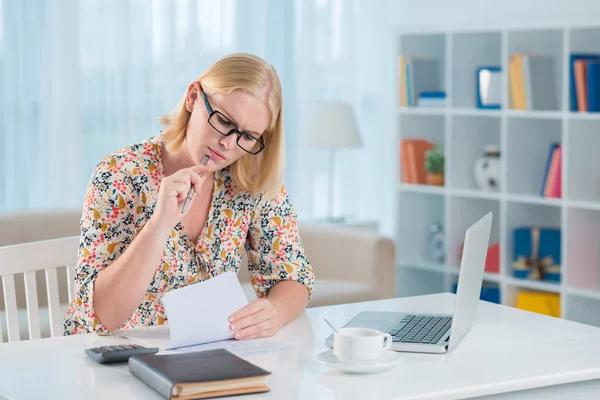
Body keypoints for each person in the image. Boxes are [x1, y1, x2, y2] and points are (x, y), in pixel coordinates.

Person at [62, 53, 315, 340]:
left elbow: (292, 275)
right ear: (193, 98)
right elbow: (102, 319)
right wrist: (159, 225)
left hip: (202, 357)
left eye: (247, 136)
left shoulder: (250, 179)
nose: (229, 144)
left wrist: (276, 311)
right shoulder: (119, 175)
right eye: (223, 121)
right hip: (115, 357)